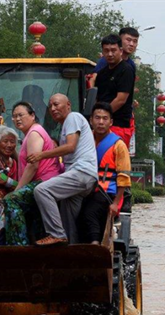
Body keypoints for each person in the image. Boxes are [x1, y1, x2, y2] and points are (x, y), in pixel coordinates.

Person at [28, 94, 98, 245]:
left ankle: (55, 233)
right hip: (84, 178)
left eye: (56, 104)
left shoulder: (73, 117)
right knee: (67, 217)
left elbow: (70, 147)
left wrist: (41, 155)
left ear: (68, 104)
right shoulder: (65, 126)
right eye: (50, 106)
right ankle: (70, 249)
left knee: (41, 191)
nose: (53, 109)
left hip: (81, 173)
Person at [3, 102, 61, 246]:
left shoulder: (35, 133)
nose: (17, 119)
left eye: (21, 115)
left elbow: (33, 165)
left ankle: (18, 246)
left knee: (12, 199)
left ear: (33, 116)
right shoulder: (29, 135)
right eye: (14, 116)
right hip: (39, 183)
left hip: (44, 180)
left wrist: (18, 190)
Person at [79, 102, 131, 245]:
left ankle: (95, 244)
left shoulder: (118, 145)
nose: (101, 122)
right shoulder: (84, 141)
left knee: (90, 212)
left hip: (107, 193)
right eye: (97, 118)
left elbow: (124, 177)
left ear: (111, 122)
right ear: (91, 120)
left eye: (105, 118)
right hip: (84, 189)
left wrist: (115, 204)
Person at [94, 34, 136, 148]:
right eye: (106, 51)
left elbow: (121, 99)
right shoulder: (102, 73)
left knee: (113, 160)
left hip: (119, 125)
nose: (110, 54)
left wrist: (103, 116)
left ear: (121, 51)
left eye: (113, 50)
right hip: (102, 125)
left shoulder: (126, 70)